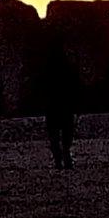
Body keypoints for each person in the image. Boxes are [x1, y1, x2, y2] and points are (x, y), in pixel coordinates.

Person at [44, 32, 79, 170]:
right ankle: (66, 157)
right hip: (64, 103)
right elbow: (73, 83)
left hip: (53, 103)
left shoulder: (47, 65)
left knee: (54, 133)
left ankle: (59, 160)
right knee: (66, 132)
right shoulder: (67, 64)